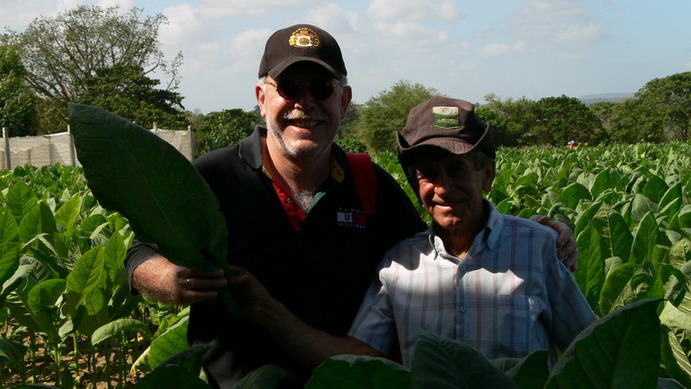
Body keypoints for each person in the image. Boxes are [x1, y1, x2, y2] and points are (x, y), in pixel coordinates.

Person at [125, 25, 578, 387]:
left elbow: (441, 237)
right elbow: (139, 254)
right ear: (262, 97)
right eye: (289, 87)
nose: (305, 103)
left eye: (320, 87)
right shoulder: (212, 176)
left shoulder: (368, 182)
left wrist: (534, 236)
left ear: (343, 100)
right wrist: (169, 278)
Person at [229, 96, 597, 370]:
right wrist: (266, 310)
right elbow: (356, 357)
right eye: (428, 174)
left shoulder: (539, 246)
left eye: (457, 170)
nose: (443, 187)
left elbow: (591, 352)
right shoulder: (399, 264)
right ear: (412, 182)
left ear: (487, 175)